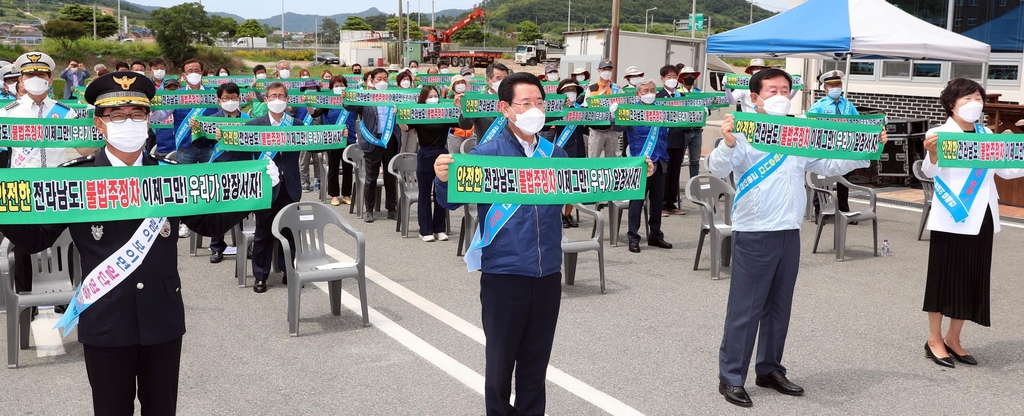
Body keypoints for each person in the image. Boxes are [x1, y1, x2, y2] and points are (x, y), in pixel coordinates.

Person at [0, 71, 267, 415]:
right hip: (106, 321)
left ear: (147, 121)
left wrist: (255, 191)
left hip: (163, 318)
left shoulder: (167, 175)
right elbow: (37, 240)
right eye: (117, 115)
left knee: (162, 410)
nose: (128, 122)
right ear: (99, 124)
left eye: (137, 114)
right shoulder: (78, 178)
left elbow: (207, 223)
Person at [708, 69, 884, 408]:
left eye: (785, 89)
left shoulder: (798, 133)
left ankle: (769, 368)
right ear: (755, 97)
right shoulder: (743, 130)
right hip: (756, 229)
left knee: (778, 306)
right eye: (772, 89)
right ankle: (731, 377)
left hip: (789, 229)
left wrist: (867, 150)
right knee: (746, 308)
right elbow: (717, 167)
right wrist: (727, 142)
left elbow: (828, 164)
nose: (780, 94)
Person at [433, 72, 569, 416]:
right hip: (505, 272)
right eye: (526, 103)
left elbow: (595, 184)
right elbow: (449, 202)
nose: (535, 109)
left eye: (540, 103)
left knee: (536, 363)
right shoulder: (487, 153)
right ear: (505, 109)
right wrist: (441, 178)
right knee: (500, 362)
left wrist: (640, 171)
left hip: (548, 270)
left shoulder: (557, 155)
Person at [919, 78, 1022, 368]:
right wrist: (933, 152)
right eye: (967, 99)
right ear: (952, 104)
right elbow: (930, 171)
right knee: (942, 279)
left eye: (978, 98)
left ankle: (954, 338)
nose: (974, 103)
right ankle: (934, 339)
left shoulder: (986, 133)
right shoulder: (938, 132)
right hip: (951, 216)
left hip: (982, 217)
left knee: (970, 279)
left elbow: (1008, 170)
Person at [220, 81, 301, 293]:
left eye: (281, 96)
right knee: (263, 232)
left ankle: (288, 271)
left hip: (290, 185)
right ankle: (261, 276)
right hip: (265, 187)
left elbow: (318, 143)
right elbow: (239, 154)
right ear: (265, 100)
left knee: (290, 231)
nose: (277, 100)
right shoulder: (253, 125)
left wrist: (342, 135)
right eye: (273, 96)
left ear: (287, 99)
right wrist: (224, 140)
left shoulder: (298, 125)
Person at [612, 78, 673, 253]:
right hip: (640, 162)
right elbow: (618, 128)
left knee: (656, 202)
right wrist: (614, 115)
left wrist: (700, 112)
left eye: (652, 90)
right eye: (645, 91)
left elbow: (680, 121)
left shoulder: (661, 111)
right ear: (638, 93)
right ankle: (633, 237)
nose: (650, 93)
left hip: (660, 160)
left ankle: (655, 235)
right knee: (637, 201)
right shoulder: (632, 111)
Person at [165, 59, 219, 237]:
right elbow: (161, 114)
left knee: (209, 184)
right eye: (190, 70)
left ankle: (209, 220)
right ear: (183, 75)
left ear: (202, 73)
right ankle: (185, 222)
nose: (194, 73)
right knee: (184, 184)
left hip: (208, 146)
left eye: (197, 70)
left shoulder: (213, 95)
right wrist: (158, 102)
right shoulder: (176, 95)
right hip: (185, 146)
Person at [398, 86, 455, 241]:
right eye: (429, 96)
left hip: (442, 152)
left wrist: (458, 107)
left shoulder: (444, 112)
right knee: (424, 192)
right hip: (425, 153)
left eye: (435, 95)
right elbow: (406, 128)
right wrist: (399, 116)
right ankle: (425, 230)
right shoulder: (419, 112)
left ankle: (439, 229)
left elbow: (462, 124)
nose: (433, 98)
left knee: (441, 191)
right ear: (423, 98)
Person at [204, 82, 250, 264]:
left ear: (239, 99)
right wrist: (203, 134)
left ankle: (244, 245)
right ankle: (217, 247)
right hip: (219, 167)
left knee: (242, 210)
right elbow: (200, 145)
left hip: (242, 167)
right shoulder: (211, 120)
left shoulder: (249, 120)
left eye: (233, 98)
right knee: (219, 209)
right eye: (225, 98)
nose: (229, 101)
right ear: (219, 100)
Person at [808, 70, 859, 219]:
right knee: (822, 179)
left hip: (844, 147)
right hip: (825, 147)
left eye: (837, 84)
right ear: (825, 89)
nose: (835, 87)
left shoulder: (849, 106)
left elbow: (858, 123)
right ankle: (820, 211)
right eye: (831, 85)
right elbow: (810, 124)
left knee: (844, 180)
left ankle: (844, 211)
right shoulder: (819, 106)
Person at [351, 68, 401, 223]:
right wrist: (345, 98)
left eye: (385, 78)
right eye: (379, 79)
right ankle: (369, 209)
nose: (383, 81)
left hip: (390, 140)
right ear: (372, 80)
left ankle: (391, 209)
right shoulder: (366, 97)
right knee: (371, 176)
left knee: (390, 175)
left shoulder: (393, 96)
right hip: (372, 139)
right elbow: (351, 107)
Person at [309, 75, 356, 206]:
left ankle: (347, 194)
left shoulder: (351, 101)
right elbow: (314, 114)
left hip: (350, 139)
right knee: (333, 168)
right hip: (333, 140)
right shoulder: (327, 103)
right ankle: (334, 195)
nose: (339, 88)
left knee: (348, 168)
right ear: (331, 88)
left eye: (341, 85)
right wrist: (308, 105)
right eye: (336, 86)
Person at [554, 79, 587, 228]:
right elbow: (546, 127)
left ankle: (567, 214)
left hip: (578, 150)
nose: (571, 93)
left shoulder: (581, 109)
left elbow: (590, 128)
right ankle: (559, 214)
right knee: (561, 183)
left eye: (573, 90)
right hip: (562, 149)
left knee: (575, 185)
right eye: (567, 90)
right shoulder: (557, 110)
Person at [657, 65, 688, 216]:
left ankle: (671, 202)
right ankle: (660, 203)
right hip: (664, 139)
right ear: (662, 79)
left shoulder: (681, 97)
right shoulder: (658, 96)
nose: (672, 80)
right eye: (668, 77)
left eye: (674, 77)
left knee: (675, 172)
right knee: (665, 171)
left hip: (679, 138)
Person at [457, 63, 509, 142]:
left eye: (505, 78)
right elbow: (466, 125)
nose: (502, 82)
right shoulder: (479, 100)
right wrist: (463, 109)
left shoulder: (512, 100)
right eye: (498, 78)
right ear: (488, 80)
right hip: (485, 148)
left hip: (508, 150)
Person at [584, 59, 621, 158]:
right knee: (593, 159)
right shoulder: (591, 88)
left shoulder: (617, 88)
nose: (607, 72)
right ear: (599, 71)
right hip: (596, 131)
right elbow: (585, 107)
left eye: (609, 69)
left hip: (612, 129)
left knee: (611, 160)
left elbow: (623, 105)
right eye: (604, 69)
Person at [296, 79, 322, 191]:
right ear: (304, 90)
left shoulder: (322, 102)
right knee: (304, 161)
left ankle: (319, 181)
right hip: (304, 134)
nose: (311, 90)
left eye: (313, 88)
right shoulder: (299, 102)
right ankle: (304, 183)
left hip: (318, 134)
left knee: (318, 160)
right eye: (309, 88)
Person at [446, 75, 475, 154]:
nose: (460, 84)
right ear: (453, 87)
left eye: (462, 82)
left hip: (470, 135)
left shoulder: (471, 99)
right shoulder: (448, 101)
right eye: (457, 83)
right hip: (455, 135)